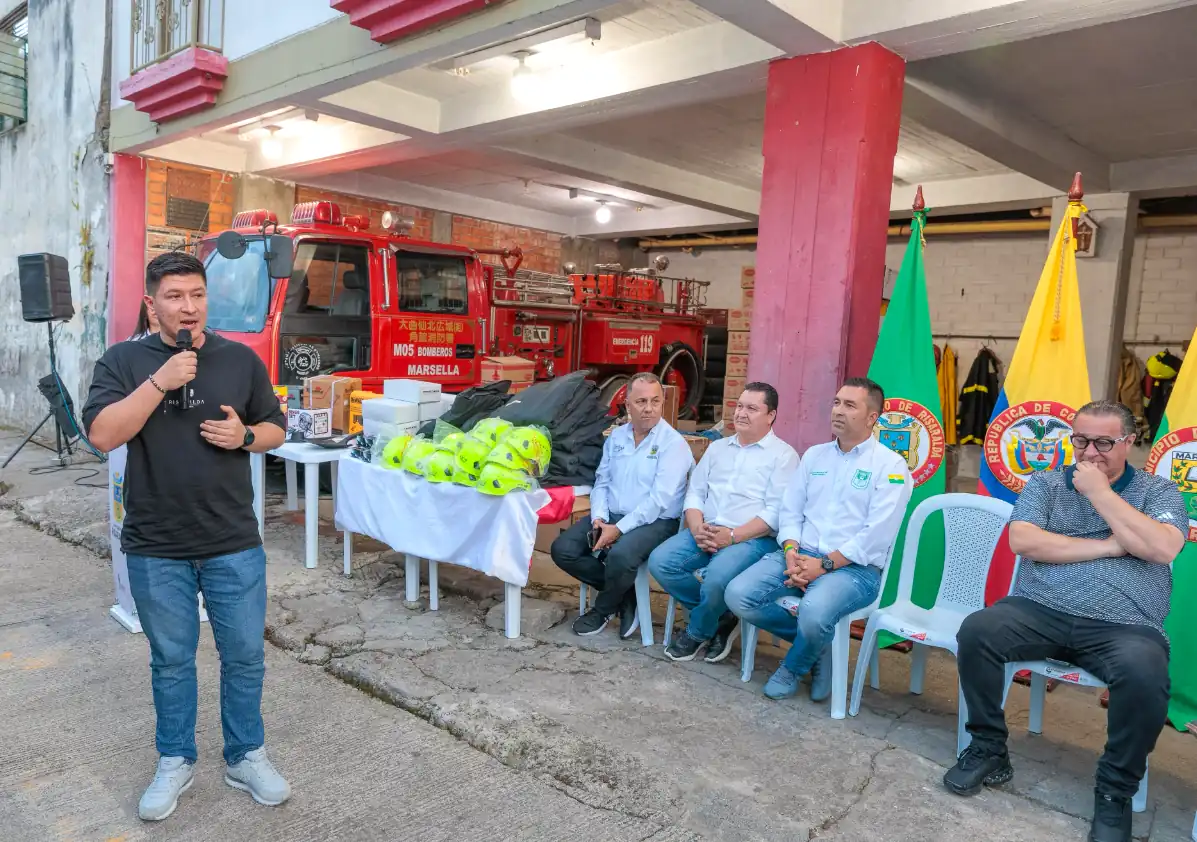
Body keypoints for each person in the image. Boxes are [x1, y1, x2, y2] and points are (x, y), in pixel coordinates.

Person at [83, 252, 289, 822]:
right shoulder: (123, 361)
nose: (188, 306)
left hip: (232, 539)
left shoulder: (238, 360)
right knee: (172, 661)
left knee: (245, 656)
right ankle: (175, 759)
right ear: (152, 304)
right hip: (156, 543)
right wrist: (159, 380)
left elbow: (276, 426)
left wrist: (244, 435)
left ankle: (245, 755)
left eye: (196, 294)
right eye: (174, 296)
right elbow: (103, 434)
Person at [946, 400, 1186, 842]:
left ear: (1129, 443)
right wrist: (1112, 546)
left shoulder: (1158, 491)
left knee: (1146, 675)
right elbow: (1023, 540)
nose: (1089, 452)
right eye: (1080, 440)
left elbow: (1163, 548)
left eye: (1103, 442)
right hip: (1039, 610)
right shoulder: (1048, 482)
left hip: (1125, 624)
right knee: (978, 631)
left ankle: (1115, 792)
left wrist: (1100, 493)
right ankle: (988, 748)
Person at [725, 377, 911, 702]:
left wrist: (824, 565)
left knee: (813, 613)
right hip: (799, 555)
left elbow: (875, 537)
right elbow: (791, 511)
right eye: (837, 402)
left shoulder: (890, 467)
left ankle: (793, 667)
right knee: (738, 595)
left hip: (853, 570)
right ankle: (817, 645)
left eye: (850, 405)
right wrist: (791, 551)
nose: (838, 410)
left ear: (872, 418)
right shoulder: (815, 456)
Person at [649, 382, 798, 663]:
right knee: (661, 562)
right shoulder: (718, 448)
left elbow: (776, 512)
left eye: (752, 408)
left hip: (752, 538)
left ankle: (698, 631)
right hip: (706, 529)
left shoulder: (784, 456)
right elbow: (695, 492)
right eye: (739, 406)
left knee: (717, 577)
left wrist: (731, 536)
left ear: (771, 416)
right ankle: (723, 616)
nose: (741, 413)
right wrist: (696, 527)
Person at [551, 372, 694, 638]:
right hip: (613, 515)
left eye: (655, 401)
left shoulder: (673, 445)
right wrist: (599, 519)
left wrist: (618, 530)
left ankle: (602, 609)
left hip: (658, 521)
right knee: (563, 549)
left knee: (620, 555)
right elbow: (602, 482)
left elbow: (658, 501)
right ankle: (623, 592)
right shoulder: (617, 438)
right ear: (627, 405)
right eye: (641, 401)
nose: (649, 408)